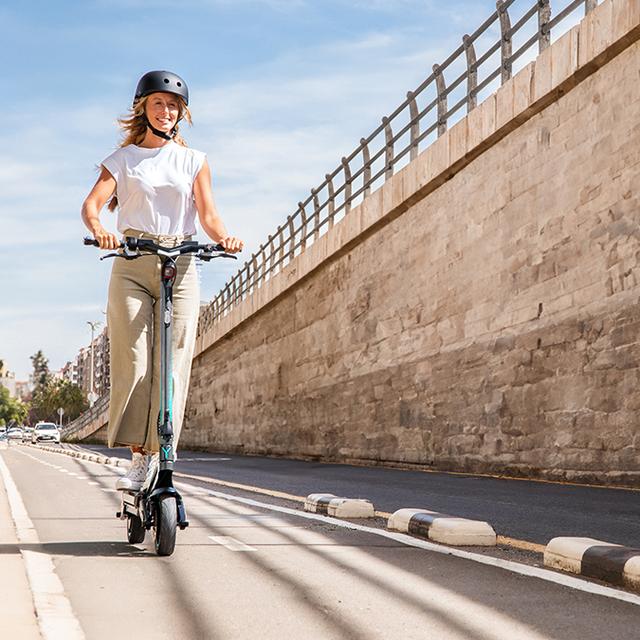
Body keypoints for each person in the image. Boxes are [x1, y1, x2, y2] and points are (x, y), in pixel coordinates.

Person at [81, 70, 243, 490]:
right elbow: (92, 205)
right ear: (143, 108)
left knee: (173, 365)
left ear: (180, 114)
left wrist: (223, 236)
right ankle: (138, 457)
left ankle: (161, 452)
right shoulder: (122, 160)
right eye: (159, 103)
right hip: (133, 260)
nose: (166, 111)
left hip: (181, 260)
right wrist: (101, 227)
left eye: (173, 106)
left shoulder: (194, 161)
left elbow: (207, 215)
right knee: (134, 363)